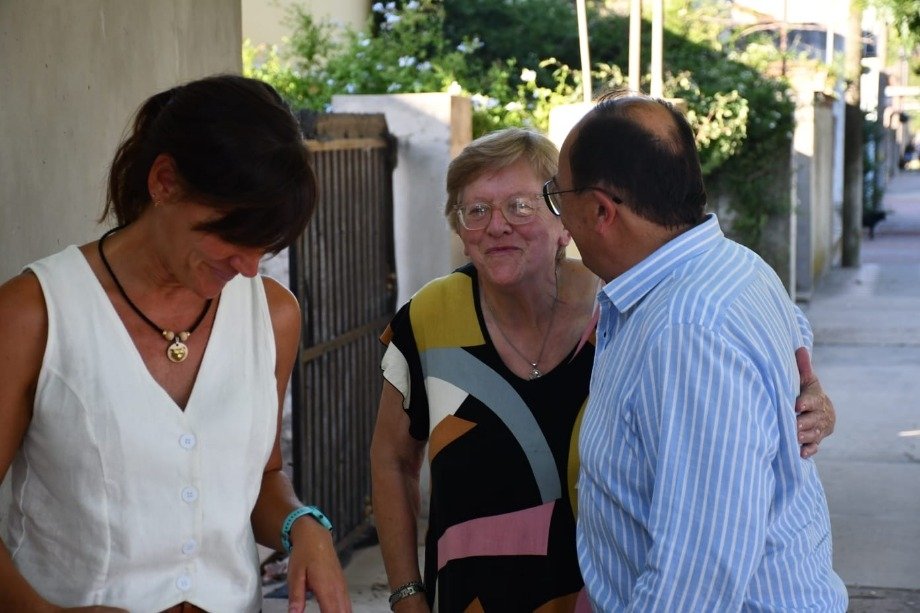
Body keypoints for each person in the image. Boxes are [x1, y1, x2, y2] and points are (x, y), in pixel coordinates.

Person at [369, 128, 836, 612]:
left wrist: (809, 391)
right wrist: (406, 594)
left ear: (566, 221)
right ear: (460, 230)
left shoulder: (621, 304)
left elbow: (758, 326)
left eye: (520, 206)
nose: (497, 225)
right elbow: (391, 459)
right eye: (477, 210)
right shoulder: (428, 319)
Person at [0, 75, 351, 612]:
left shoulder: (273, 315)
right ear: (164, 182)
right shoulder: (34, 313)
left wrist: (302, 525)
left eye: (264, 247)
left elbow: (261, 476)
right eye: (232, 236)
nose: (248, 267)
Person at [549, 91, 849, 610]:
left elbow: (696, 580)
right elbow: (791, 331)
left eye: (559, 197)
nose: (562, 221)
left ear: (600, 210)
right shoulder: (729, 266)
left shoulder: (688, 332)